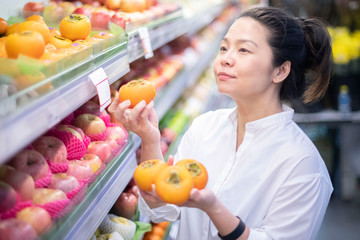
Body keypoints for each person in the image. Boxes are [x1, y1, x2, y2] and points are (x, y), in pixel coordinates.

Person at [108, 6, 334, 240]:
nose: (225, 59)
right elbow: (163, 209)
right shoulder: (204, 127)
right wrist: (149, 137)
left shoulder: (303, 165)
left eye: (244, 50)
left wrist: (214, 209)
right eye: (224, 47)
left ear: (280, 71)